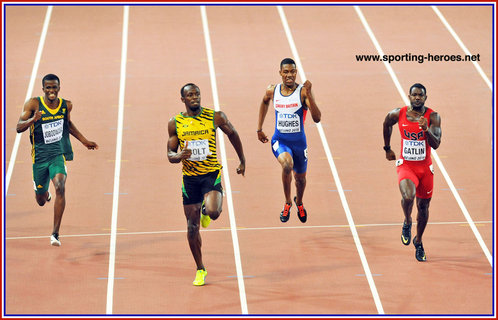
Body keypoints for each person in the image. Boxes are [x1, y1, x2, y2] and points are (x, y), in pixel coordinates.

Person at [167, 83, 245, 286]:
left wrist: (242, 160)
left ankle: (206, 209)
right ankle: (200, 268)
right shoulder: (175, 122)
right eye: (190, 95)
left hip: (211, 175)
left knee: (214, 213)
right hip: (190, 180)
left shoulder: (215, 117)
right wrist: (178, 156)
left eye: (197, 94)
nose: (195, 98)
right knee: (192, 228)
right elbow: (170, 154)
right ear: (183, 99)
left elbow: (233, 134)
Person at [16, 74, 98, 246]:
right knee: (40, 200)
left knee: (60, 186)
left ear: (59, 88)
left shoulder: (66, 105)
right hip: (39, 158)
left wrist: (84, 141)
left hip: (56, 155)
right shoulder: (32, 104)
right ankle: (43, 193)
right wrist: (33, 120)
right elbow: (18, 128)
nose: (52, 91)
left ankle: (55, 233)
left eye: (54, 87)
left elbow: (67, 125)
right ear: (43, 89)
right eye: (48, 88)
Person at [257, 58, 321, 223]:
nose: (289, 75)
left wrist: (310, 95)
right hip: (280, 141)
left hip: (299, 143)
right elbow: (264, 102)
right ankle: (287, 202)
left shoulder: (302, 92)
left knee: (300, 180)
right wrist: (259, 128)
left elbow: (317, 118)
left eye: (292, 71)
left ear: (296, 72)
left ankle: (298, 201)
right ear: (280, 73)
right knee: (287, 165)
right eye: (286, 72)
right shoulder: (273, 91)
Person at [383, 83, 442, 262]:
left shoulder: (433, 117)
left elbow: (436, 144)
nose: (417, 98)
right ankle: (407, 221)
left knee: (423, 208)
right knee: (408, 197)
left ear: (425, 97)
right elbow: (386, 123)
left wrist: (426, 130)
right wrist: (387, 148)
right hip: (406, 166)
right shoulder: (398, 113)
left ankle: (419, 241)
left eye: (420, 95)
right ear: (409, 96)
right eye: (414, 95)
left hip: (425, 169)